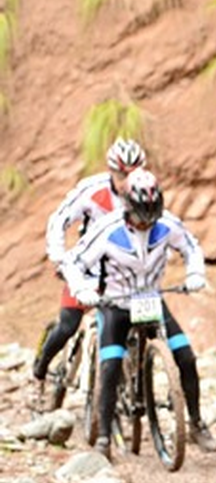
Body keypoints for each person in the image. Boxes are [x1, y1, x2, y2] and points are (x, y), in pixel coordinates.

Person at [60, 168, 216, 458]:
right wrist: (81, 288)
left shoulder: (167, 224)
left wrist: (195, 273)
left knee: (185, 356)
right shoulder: (107, 230)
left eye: (151, 218)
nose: (145, 224)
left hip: (151, 299)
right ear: (127, 207)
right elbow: (73, 262)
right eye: (139, 217)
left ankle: (196, 423)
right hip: (115, 304)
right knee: (110, 365)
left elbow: (191, 247)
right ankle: (104, 438)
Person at [28, 138, 147, 412]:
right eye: (122, 175)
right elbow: (59, 220)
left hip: (124, 277)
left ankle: (132, 388)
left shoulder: (148, 192)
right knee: (68, 326)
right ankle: (39, 372)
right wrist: (59, 257)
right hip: (87, 273)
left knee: (139, 327)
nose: (128, 181)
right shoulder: (91, 190)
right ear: (111, 171)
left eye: (134, 174)